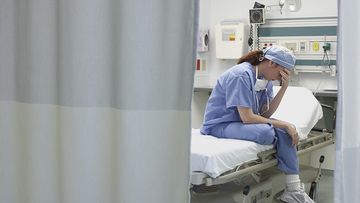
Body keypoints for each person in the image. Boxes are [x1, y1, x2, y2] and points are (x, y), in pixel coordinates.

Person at [200, 45, 314, 203]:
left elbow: (265, 114)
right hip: (219, 124)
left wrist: (283, 89)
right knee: (267, 132)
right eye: (283, 72)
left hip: (240, 122)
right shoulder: (240, 75)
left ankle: (293, 189)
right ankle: (291, 189)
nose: (282, 76)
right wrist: (283, 124)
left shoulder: (265, 81)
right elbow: (247, 118)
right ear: (272, 63)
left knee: (285, 130)